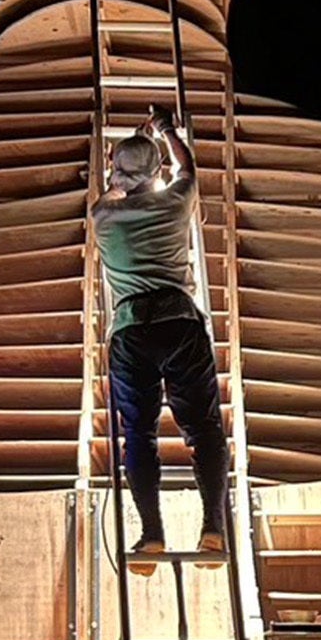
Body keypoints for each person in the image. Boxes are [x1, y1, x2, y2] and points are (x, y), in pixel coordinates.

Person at [91, 105, 228, 575]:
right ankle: (213, 528)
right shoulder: (176, 201)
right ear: (157, 171)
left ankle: (151, 535)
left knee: (138, 434)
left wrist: (131, 150)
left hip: (130, 332)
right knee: (203, 429)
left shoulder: (104, 215)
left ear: (115, 172)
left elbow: (117, 184)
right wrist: (165, 129)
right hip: (179, 323)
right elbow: (187, 167)